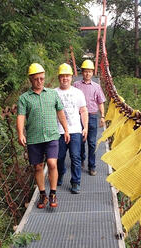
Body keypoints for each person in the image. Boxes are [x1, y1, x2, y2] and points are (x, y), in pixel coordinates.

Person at [17, 63, 70, 209]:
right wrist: (20, 133)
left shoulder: (53, 94)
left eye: (41, 78)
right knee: (38, 167)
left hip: (52, 135)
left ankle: (53, 193)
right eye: (36, 79)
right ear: (30, 80)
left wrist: (66, 129)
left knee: (52, 163)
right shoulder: (24, 98)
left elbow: (60, 112)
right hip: (34, 137)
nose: (39, 81)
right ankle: (42, 194)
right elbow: (21, 116)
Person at [55, 63, 88, 194]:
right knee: (59, 157)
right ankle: (61, 172)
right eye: (62, 76)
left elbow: (83, 110)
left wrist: (85, 127)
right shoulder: (53, 93)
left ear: (71, 77)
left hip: (75, 130)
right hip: (58, 131)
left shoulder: (78, 93)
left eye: (67, 76)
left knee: (75, 156)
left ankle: (75, 182)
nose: (65, 78)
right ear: (59, 78)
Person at [73, 59, 106, 176]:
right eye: (85, 71)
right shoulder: (76, 85)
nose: (87, 74)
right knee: (80, 141)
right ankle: (81, 159)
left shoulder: (96, 87)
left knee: (92, 143)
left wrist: (102, 116)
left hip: (92, 116)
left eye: (90, 72)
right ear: (82, 72)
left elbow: (100, 102)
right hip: (79, 116)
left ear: (92, 73)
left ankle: (91, 166)